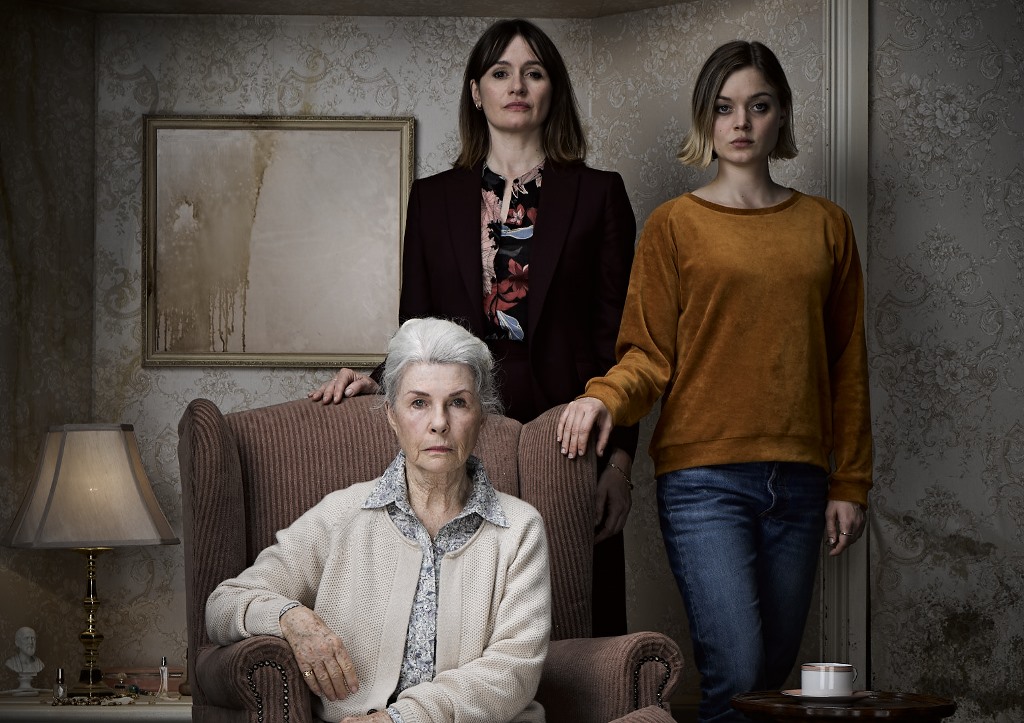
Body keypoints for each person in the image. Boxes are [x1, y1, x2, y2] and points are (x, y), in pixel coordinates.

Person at [556, 40, 872, 723]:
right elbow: (646, 355)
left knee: (769, 677)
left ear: (780, 115)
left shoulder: (827, 226)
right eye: (724, 108)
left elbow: (847, 364)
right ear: (706, 119)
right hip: (703, 482)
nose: (742, 123)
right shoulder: (675, 226)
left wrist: (850, 482)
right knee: (734, 669)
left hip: (800, 479)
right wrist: (601, 395)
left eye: (758, 106)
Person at [309, 18, 637, 636]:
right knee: (468, 615)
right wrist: (377, 380)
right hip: (463, 427)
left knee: (572, 618)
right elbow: (418, 326)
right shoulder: (433, 199)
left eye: (534, 73)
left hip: (567, 437)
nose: (518, 86)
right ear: (475, 90)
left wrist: (619, 464)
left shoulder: (598, 195)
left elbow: (620, 343)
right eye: (501, 72)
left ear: (552, 90)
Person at [209, 318, 550, 723]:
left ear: (481, 416)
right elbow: (222, 604)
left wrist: (401, 719)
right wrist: (289, 618)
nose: (438, 422)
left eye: (457, 402)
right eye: (418, 403)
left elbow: (512, 672)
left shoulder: (520, 529)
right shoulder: (341, 515)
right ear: (391, 415)